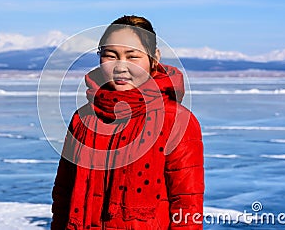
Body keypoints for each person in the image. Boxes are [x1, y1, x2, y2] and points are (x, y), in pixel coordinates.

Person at [51, 15, 204, 229]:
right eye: (110, 55)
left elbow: (187, 206)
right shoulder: (83, 118)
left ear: (154, 58)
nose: (120, 67)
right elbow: (62, 196)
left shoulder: (176, 121)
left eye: (132, 57)